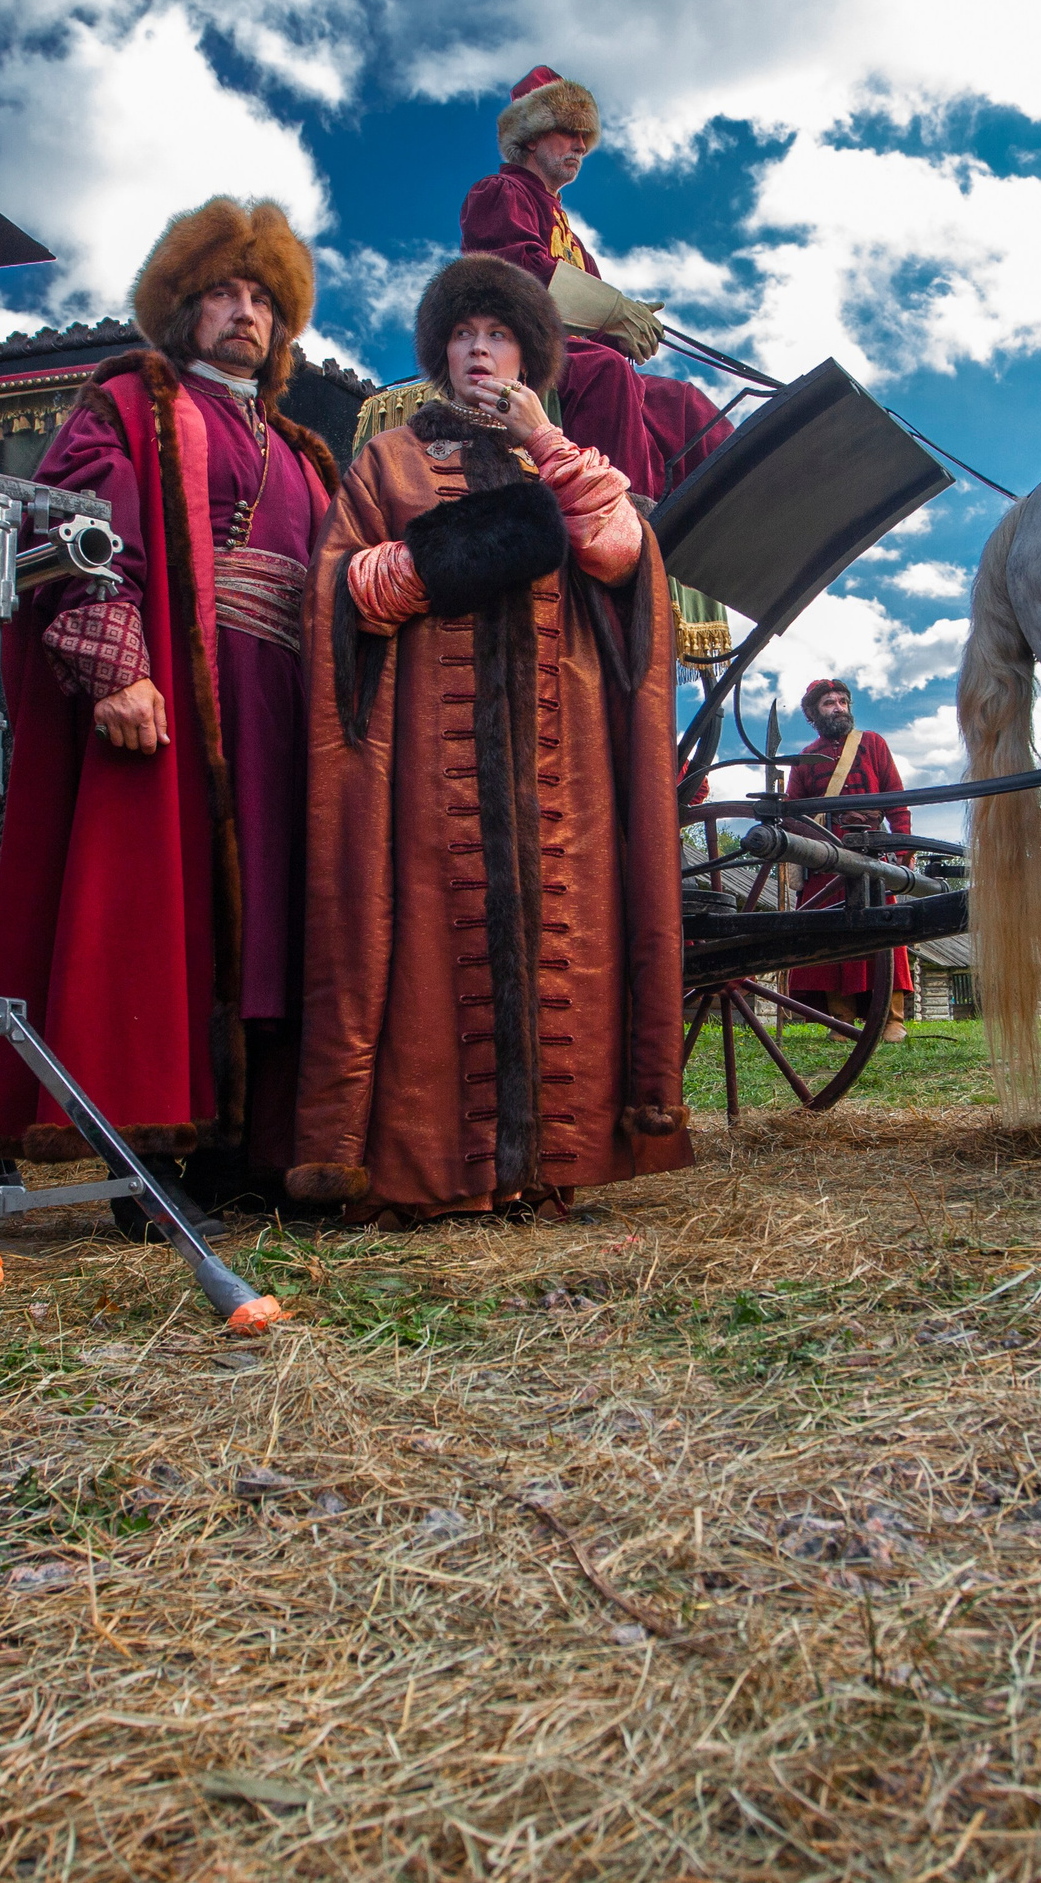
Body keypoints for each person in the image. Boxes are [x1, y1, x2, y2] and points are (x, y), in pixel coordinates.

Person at [292, 254, 693, 1225]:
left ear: (529, 356)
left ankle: (554, 1164)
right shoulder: (386, 464)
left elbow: (620, 549)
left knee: (570, 943)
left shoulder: (559, 461)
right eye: (465, 336)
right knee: (438, 942)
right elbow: (340, 589)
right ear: (440, 354)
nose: (481, 350)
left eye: (500, 336)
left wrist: (544, 444)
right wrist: (450, 559)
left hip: (568, 769)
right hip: (434, 766)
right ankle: (444, 1174)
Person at [0, 197, 333, 1222]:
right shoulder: (131, 403)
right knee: (167, 920)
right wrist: (117, 665)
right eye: (224, 292)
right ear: (182, 305)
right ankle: (148, 1161)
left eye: (263, 297)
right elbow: (75, 526)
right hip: (179, 698)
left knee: (272, 925)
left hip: (282, 710)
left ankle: (245, 1146)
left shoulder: (307, 450)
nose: (245, 312)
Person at [458, 67, 735, 501]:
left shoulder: (573, 239)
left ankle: (730, 510)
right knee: (606, 374)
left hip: (575, 355)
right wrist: (612, 312)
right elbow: (514, 273)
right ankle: (628, 513)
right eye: (568, 131)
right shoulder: (499, 191)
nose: (581, 146)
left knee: (682, 402)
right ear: (531, 136)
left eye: (584, 136)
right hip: (523, 353)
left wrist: (628, 325)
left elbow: (592, 323)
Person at [784, 679, 915, 1043]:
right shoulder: (805, 758)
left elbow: (896, 799)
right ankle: (840, 1019)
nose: (838, 707)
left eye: (842, 701)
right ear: (813, 713)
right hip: (826, 857)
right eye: (829, 703)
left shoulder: (872, 744)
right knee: (833, 934)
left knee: (884, 930)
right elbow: (793, 815)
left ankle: (892, 1019)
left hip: (872, 849)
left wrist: (902, 854)